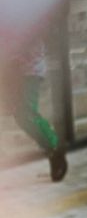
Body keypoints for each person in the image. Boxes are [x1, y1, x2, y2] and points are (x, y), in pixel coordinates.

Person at [1, 40, 68, 182]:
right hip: (13, 71)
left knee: (27, 113)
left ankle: (55, 148)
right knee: (20, 117)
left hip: (29, 71)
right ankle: (51, 150)